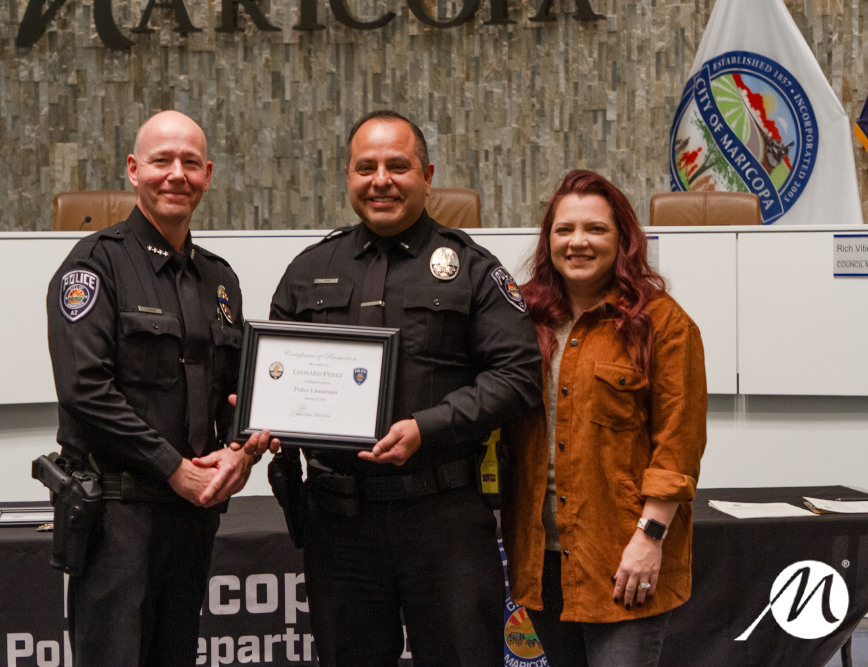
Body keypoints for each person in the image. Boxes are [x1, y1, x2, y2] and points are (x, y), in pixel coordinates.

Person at [236, 110, 543, 667]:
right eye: (366, 167)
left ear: (427, 174)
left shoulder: (473, 268)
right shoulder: (309, 270)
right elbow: (274, 377)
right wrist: (263, 416)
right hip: (340, 525)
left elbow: (518, 377)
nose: (381, 180)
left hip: (444, 518)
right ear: (349, 177)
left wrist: (427, 428)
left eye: (397, 166)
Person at [46, 110, 255, 667]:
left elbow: (240, 393)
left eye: (190, 162)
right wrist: (174, 468)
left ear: (207, 174)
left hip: (191, 518)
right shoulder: (94, 266)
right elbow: (85, 390)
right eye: (162, 160)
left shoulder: (220, 280)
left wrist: (241, 451)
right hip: (119, 519)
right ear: (134, 170)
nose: (176, 174)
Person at [500, 170, 707, 667]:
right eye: (564, 229)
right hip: (543, 560)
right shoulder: (520, 320)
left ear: (623, 240)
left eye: (595, 229)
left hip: (623, 557)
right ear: (548, 240)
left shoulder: (664, 323)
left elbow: (678, 445)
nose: (578, 242)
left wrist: (650, 539)